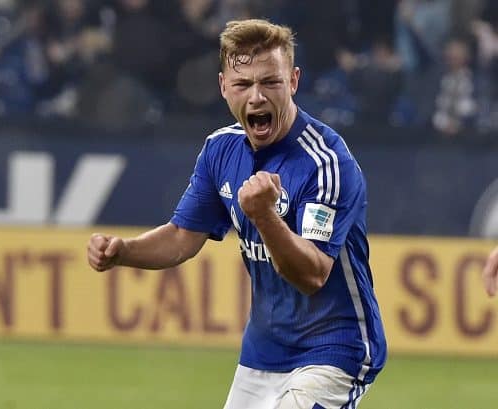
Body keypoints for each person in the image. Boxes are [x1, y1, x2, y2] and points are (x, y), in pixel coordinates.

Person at [87, 19, 387, 409]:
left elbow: (312, 274)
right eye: (243, 84)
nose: (257, 97)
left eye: (271, 82)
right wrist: (124, 251)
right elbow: (181, 236)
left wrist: (264, 217)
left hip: (334, 346)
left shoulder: (326, 163)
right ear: (223, 86)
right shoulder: (220, 151)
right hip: (264, 351)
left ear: (293, 81)